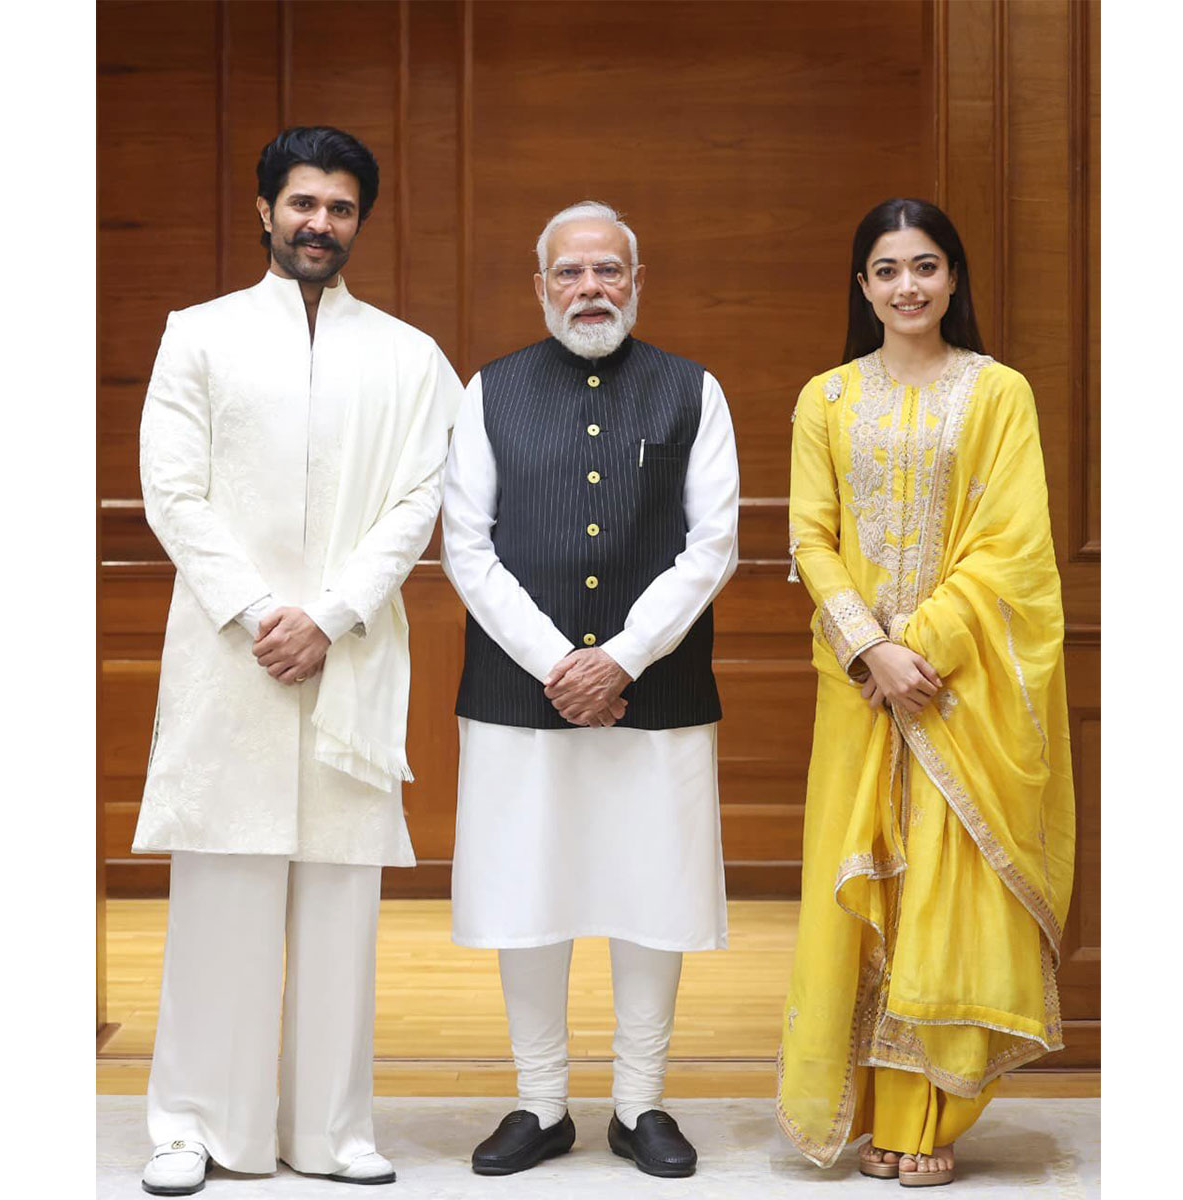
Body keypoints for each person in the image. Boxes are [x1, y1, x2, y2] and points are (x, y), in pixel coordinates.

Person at [131, 126, 462, 1195]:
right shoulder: (200, 335)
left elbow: (421, 500)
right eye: (302, 203)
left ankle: (328, 1129)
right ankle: (191, 1125)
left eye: (341, 207)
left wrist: (331, 613)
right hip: (232, 655)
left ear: (361, 221)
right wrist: (259, 611)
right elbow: (173, 491)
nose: (320, 223)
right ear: (264, 210)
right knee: (220, 890)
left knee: (337, 899)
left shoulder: (409, 357)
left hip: (349, 655)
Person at [777, 198, 1075, 1187]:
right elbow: (809, 538)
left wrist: (920, 649)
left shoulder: (996, 394)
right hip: (860, 690)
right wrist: (870, 650)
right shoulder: (824, 400)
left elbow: (1013, 549)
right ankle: (865, 1114)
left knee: (948, 888)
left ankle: (928, 1117)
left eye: (926, 266)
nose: (908, 285)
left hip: (956, 687)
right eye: (887, 269)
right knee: (871, 886)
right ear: (861, 286)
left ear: (952, 280)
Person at [440, 201, 739, 1179]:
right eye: (568, 273)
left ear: (638, 280)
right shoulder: (489, 391)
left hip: (655, 691)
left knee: (652, 889)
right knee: (530, 889)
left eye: (608, 270)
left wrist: (622, 658)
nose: (589, 289)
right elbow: (466, 546)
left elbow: (713, 546)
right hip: (519, 693)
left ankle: (639, 1104)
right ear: (539, 287)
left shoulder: (693, 390)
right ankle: (539, 1104)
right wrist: (557, 666)